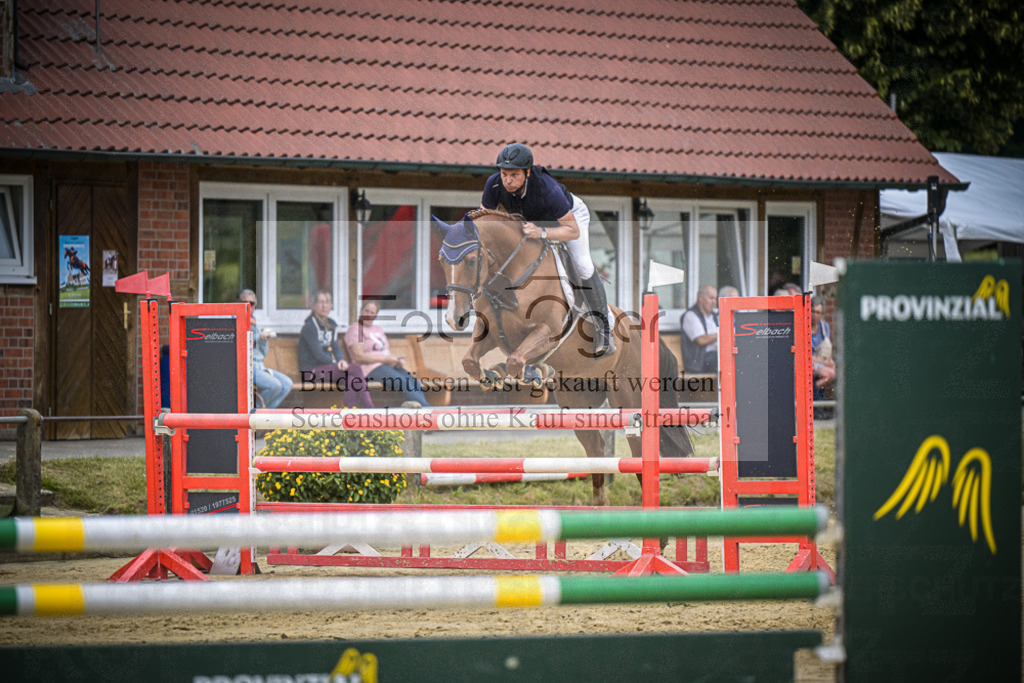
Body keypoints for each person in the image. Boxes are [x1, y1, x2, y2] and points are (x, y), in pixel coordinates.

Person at [481, 142, 614, 356]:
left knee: (583, 265)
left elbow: (572, 231)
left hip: (569, 220)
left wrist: (542, 232)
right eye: (504, 174)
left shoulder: (547, 189)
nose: (507, 180)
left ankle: (604, 328)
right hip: (532, 222)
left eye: (514, 175)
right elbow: (486, 221)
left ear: (527, 172)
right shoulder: (494, 184)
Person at [298, 290, 375, 409]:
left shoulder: (331, 324)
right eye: (321, 302)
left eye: (327, 302)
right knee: (355, 368)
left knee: (351, 378)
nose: (324, 306)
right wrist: (337, 363)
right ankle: (370, 408)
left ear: (331, 306)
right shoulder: (310, 326)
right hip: (311, 372)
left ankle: (350, 412)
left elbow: (336, 348)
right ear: (314, 306)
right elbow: (318, 354)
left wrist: (341, 360)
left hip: (328, 369)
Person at [345, 301, 429, 407]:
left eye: (372, 313)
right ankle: (428, 411)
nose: (368, 315)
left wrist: (395, 361)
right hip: (368, 369)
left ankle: (421, 410)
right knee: (403, 382)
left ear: (375, 315)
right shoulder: (356, 329)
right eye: (366, 311)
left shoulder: (378, 329)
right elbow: (359, 357)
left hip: (386, 365)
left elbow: (385, 352)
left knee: (413, 382)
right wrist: (385, 360)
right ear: (361, 311)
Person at [238, 289, 293, 409]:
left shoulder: (256, 324)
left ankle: (265, 412)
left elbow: (262, 354)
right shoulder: (235, 320)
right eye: (245, 303)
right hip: (244, 367)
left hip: (259, 367)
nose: (248, 306)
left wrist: (263, 340)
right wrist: (247, 321)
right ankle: (255, 411)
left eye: (251, 304)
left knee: (287, 384)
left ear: (255, 306)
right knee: (275, 386)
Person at [680, 284, 719, 374]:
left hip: (714, 356)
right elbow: (701, 340)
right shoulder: (690, 315)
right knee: (720, 360)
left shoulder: (713, 316)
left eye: (715, 299)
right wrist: (723, 334)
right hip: (699, 362)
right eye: (711, 298)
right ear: (700, 297)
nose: (714, 302)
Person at [810, 295, 836, 402]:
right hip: (808, 362)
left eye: (818, 312)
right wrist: (825, 363)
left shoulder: (824, 327)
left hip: (820, 361)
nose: (814, 315)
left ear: (822, 314)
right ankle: (815, 399)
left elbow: (826, 350)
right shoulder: (803, 326)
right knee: (829, 374)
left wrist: (830, 362)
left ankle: (813, 393)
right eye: (812, 311)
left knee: (833, 371)